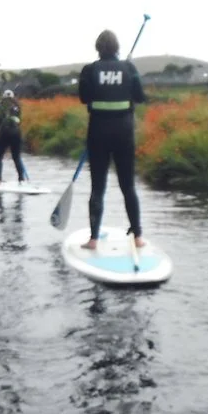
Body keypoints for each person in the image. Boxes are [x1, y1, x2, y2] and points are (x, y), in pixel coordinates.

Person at [77, 29, 147, 250]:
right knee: (128, 187)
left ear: (98, 48)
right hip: (124, 134)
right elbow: (140, 97)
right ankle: (137, 237)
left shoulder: (89, 70)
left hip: (97, 133)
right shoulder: (129, 68)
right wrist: (128, 77)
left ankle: (93, 240)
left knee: (98, 187)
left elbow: (83, 98)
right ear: (117, 47)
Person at [0, 89, 27, 184]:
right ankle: (21, 179)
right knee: (16, 157)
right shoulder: (18, 107)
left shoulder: (0, 106)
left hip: (4, 131)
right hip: (16, 132)